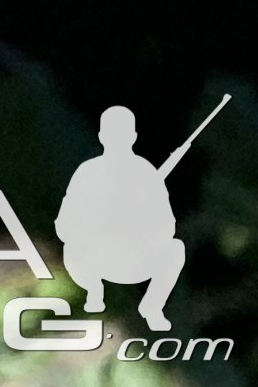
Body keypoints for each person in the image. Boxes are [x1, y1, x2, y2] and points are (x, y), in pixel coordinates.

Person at [60, 106, 191, 333]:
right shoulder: (88, 172)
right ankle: (94, 292)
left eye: (122, 134)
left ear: (133, 137)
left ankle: (151, 307)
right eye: (112, 134)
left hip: (134, 258)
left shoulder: (145, 172)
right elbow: (65, 223)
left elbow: (167, 226)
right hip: (94, 260)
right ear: (102, 137)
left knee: (175, 249)